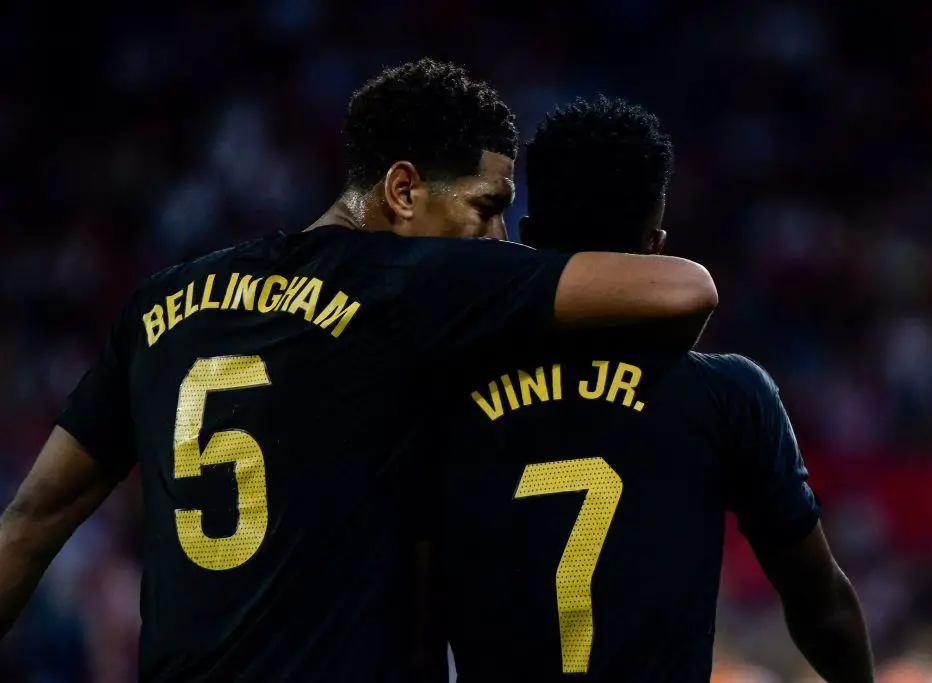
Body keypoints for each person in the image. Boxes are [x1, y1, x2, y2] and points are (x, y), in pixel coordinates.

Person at [0, 65, 718, 682]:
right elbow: (683, 292)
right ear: (403, 191)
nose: (500, 237)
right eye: (488, 207)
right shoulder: (405, 287)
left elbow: (30, 522)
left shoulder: (160, 302)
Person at [433, 97, 873, 682]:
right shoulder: (730, 395)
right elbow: (824, 610)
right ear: (655, 244)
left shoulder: (445, 388)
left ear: (530, 237)